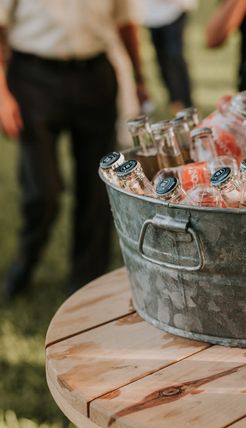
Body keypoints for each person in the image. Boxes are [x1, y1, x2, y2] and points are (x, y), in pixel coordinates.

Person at [0, 0, 149, 297]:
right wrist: (2, 95)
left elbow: (125, 22)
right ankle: (25, 262)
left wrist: (138, 77)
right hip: (32, 77)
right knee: (43, 191)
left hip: (95, 76)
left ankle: (85, 283)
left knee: (97, 187)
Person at [142, 0, 196, 113]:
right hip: (151, 13)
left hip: (174, 9)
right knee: (162, 59)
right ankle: (174, 99)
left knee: (174, 57)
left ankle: (186, 102)